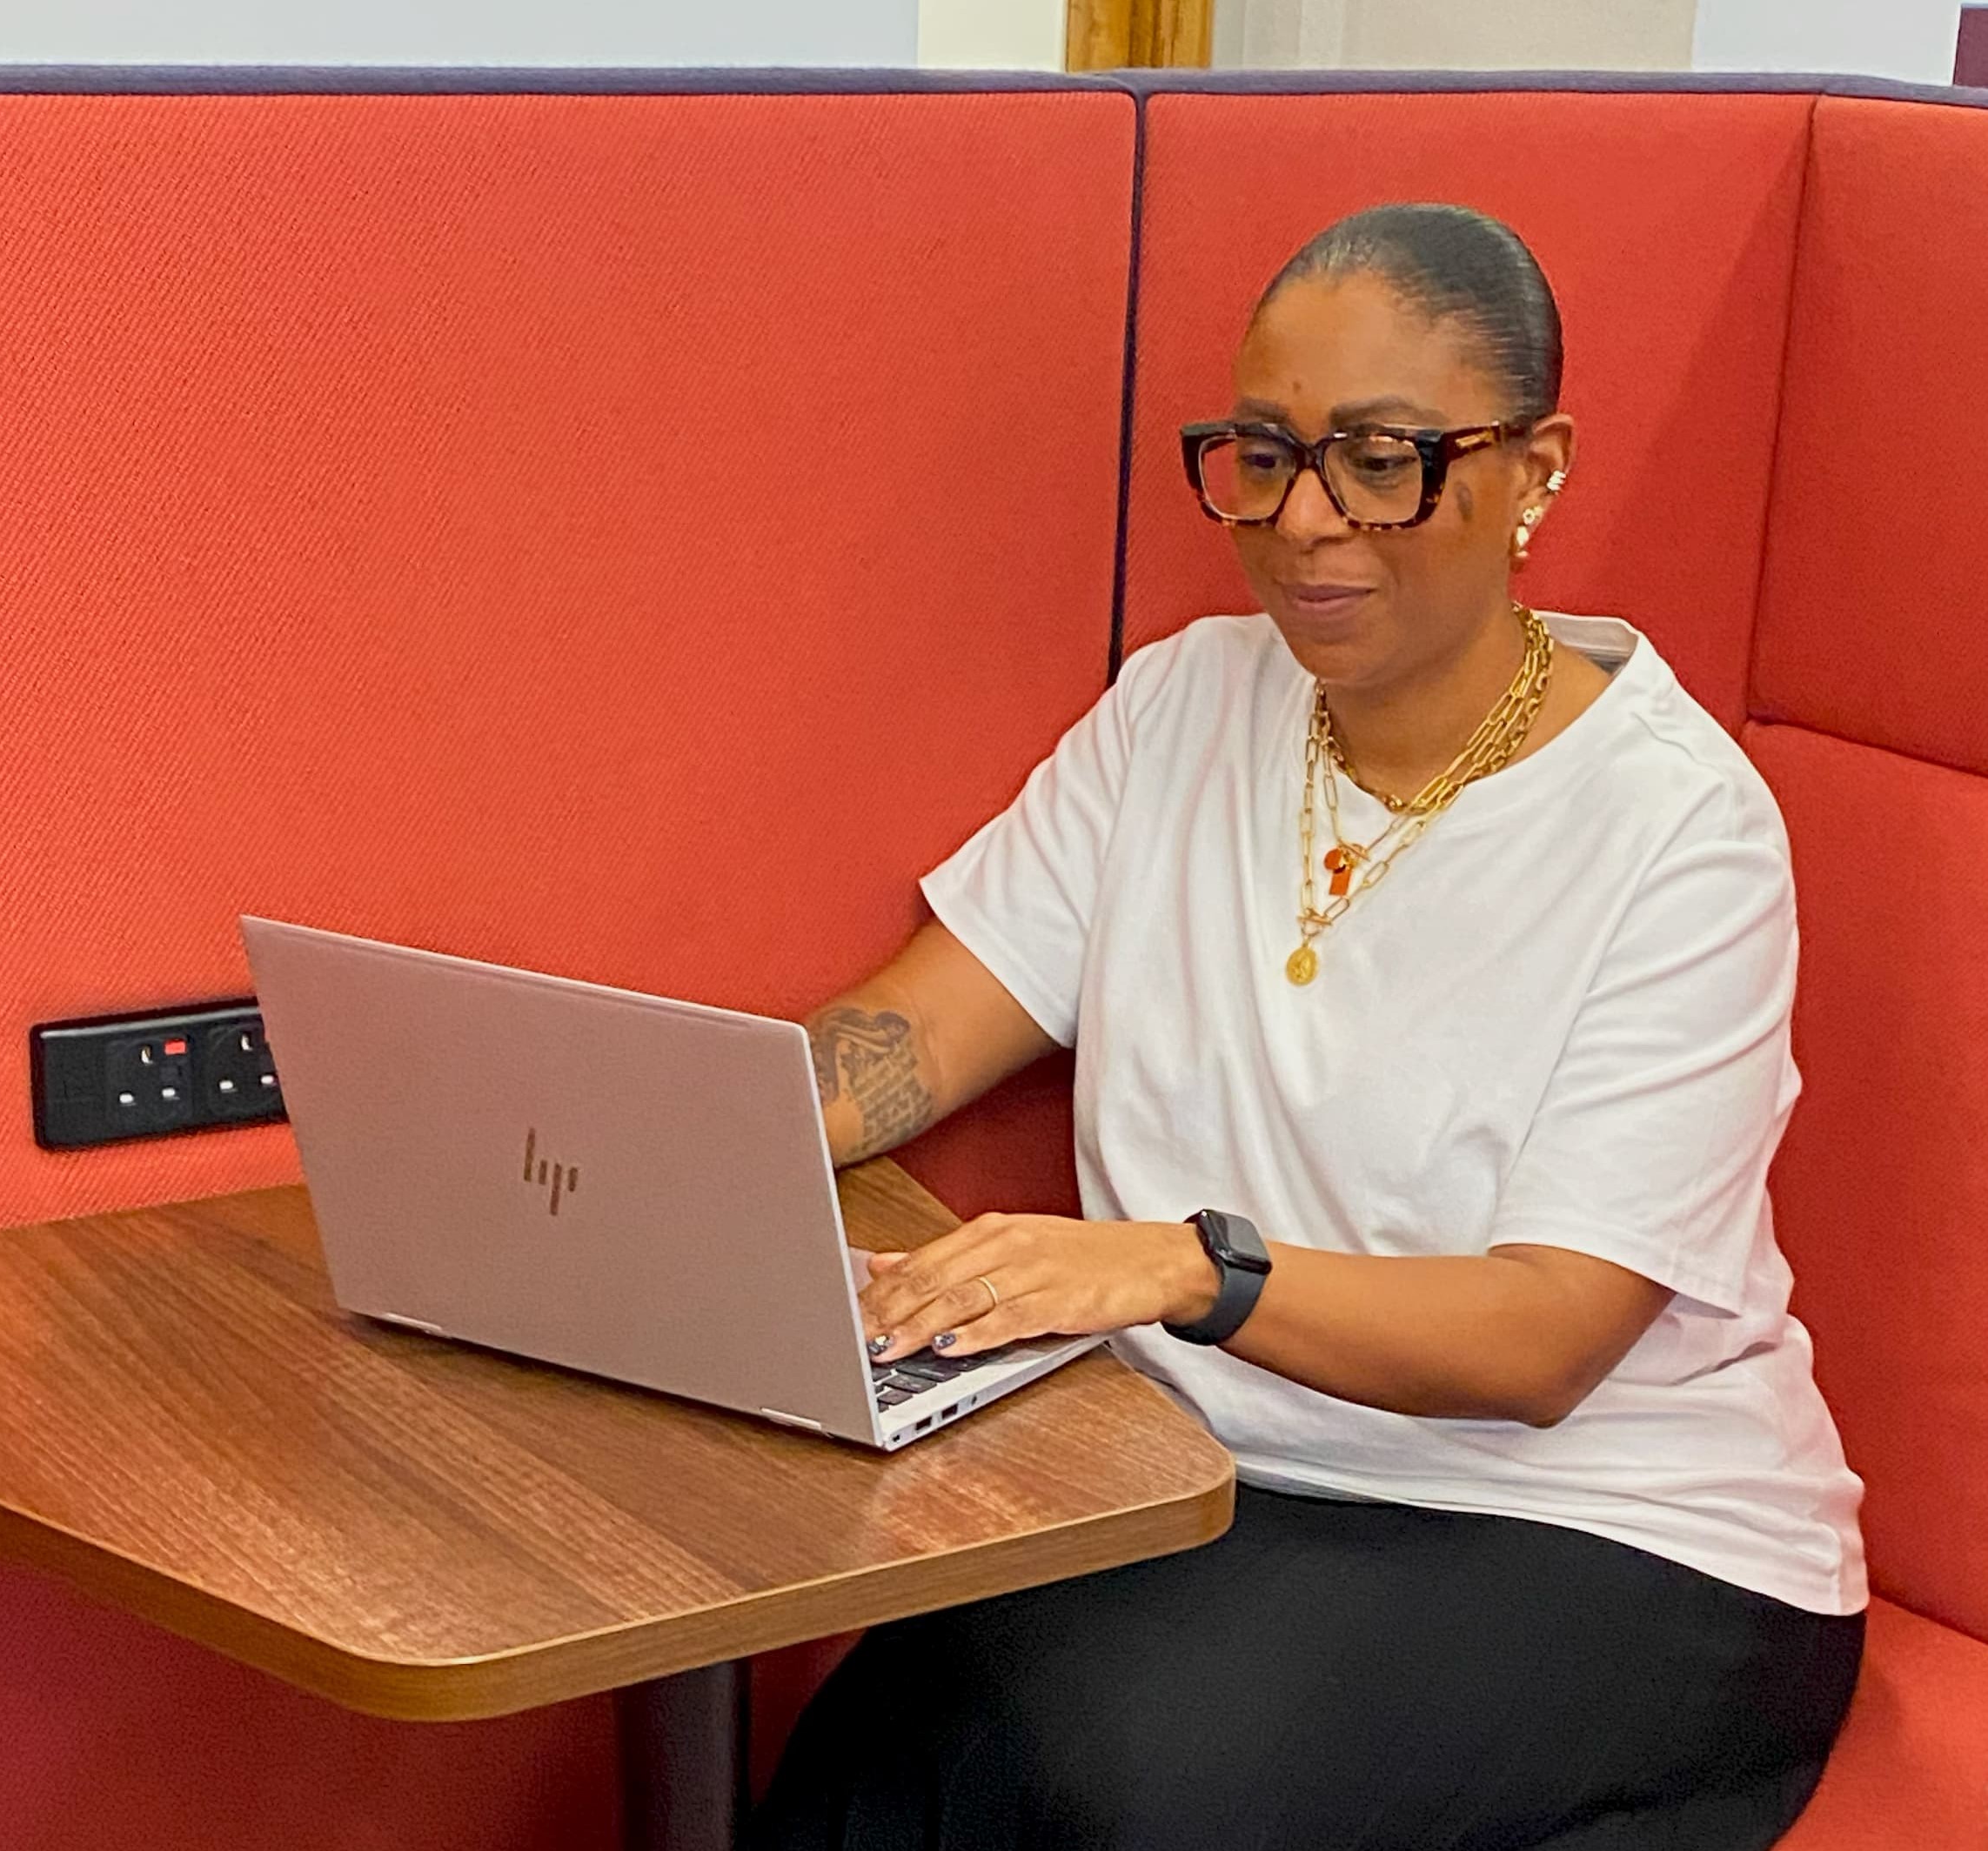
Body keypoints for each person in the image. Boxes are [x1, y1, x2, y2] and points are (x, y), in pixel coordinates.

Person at [747, 202, 1866, 1851]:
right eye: (1260, 455)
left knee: (1119, 1792)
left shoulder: (1679, 827)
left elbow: (1541, 1341)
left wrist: (1181, 1266)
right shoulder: (1182, 703)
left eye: (1382, 458)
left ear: (1536, 470)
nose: (1303, 519)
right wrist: (672, 1145)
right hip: (1213, 1481)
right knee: (877, 1749)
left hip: (1607, 1526)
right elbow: (916, 1032)